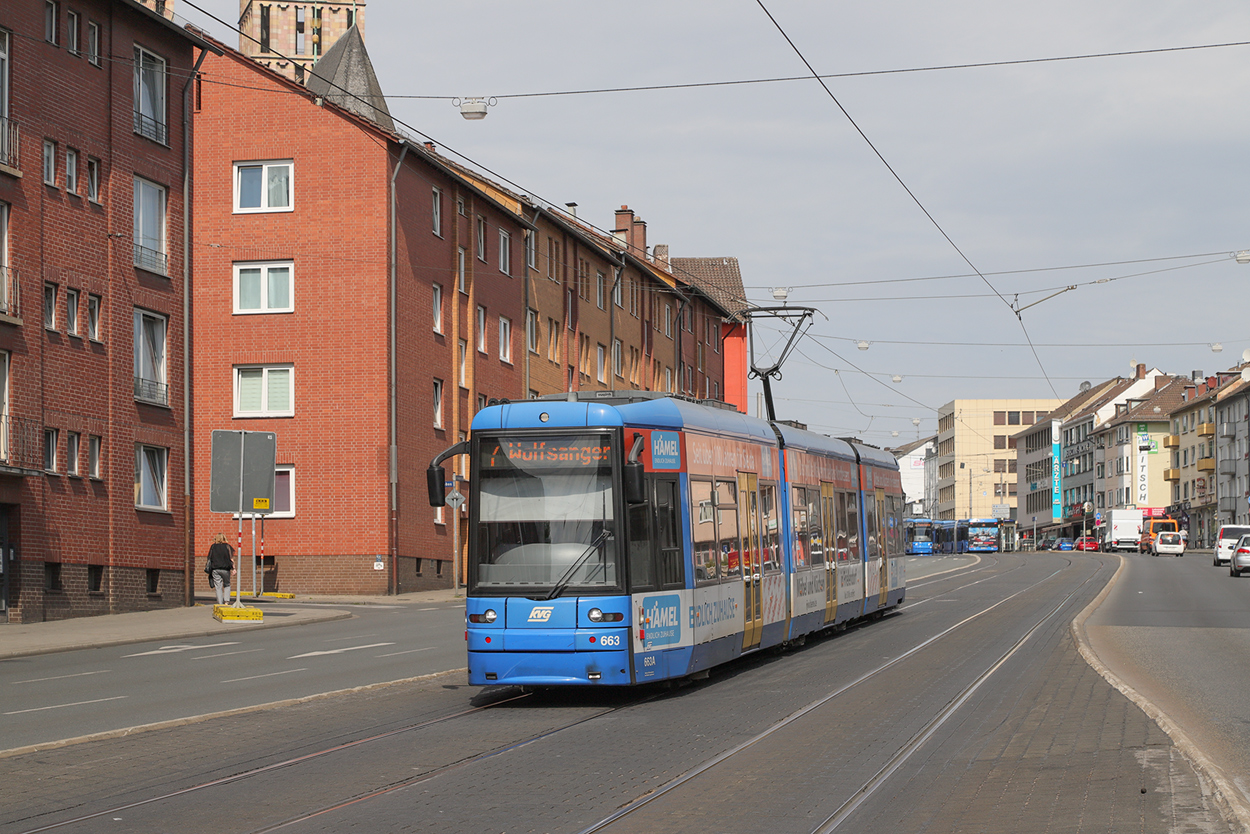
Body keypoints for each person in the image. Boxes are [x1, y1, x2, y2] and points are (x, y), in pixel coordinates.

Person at [206, 533, 235, 605]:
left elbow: (209, 558)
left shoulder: (213, 547)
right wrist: (234, 568)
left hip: (215, 569)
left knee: (218, 586)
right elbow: (231, 559)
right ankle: (227, 601)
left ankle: (220, 602)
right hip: (226, 569)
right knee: (227, 584)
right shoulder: (227, 547)